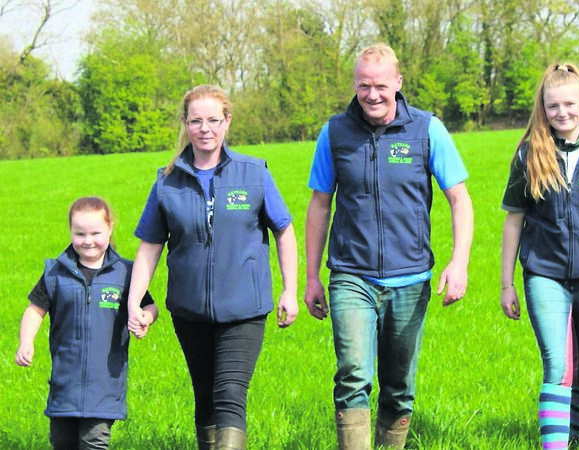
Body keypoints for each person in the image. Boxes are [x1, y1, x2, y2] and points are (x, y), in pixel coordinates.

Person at [304, 43, 474, 450]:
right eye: (364, 85)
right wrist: (311, 277)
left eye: (381, 85)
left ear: (398, 83)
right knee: (353, 374)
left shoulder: (427, 129)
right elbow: (319, 204)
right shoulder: (335, 132)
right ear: (354, 85)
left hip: (411, 278)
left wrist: (459, 262)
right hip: (351, 274)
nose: (373, 94)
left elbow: (460, 199)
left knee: (398, 387)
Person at [126, 84, 298, 450]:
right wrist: (135, 301)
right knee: (205, 398)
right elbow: (150, 246)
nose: (205, 129)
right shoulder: (167, 181)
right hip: (189, 311)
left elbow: (284, 230)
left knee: (230, 394)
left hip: (244, 309)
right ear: (185, 124)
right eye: (196, 121)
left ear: (227, 122)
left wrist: (290, 290)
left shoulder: (253, 173)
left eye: (213, 120)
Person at [499, 63, 579, 449]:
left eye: (569, 103)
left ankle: (578, 434)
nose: (562, 113)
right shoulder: (529, 155)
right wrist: (507, 283)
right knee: (558, 367)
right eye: (553, 106)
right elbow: (513, 221)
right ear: (543, 108)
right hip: (544, 275)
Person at [15, 196, 159, 450]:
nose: (88, 240)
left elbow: (149, 305)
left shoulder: (125, 273)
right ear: (70, 231)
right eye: (79, 233)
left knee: (94, 442)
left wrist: (145, 318)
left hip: (104, 384)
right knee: (62, 442)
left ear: (110, 228)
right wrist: (26, 342)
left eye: (95, 232)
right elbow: (34, 310)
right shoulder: (55, 273)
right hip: (64, 383)